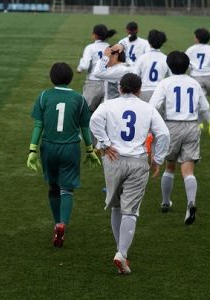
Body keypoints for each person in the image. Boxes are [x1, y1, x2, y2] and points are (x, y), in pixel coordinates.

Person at [90, 73, 170, 275]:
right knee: (130, 210)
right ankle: (122, 253)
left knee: (116, 206)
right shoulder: (147, 108)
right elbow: (164, 134)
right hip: (137, 161)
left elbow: (94, 120)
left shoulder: (108, 105)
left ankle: (120, 250)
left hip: (113, 160)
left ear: (120, 87)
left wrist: (105, 143)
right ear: (139, 90)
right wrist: (157, 159)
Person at [27, 62, 101, 248]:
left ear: (52, 78)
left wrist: (32, 149)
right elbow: (85, 127)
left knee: (53, 186)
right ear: (70, 78)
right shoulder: (78, 99)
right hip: (70, 148)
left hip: (49, 147)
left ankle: (56, 222)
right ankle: (62, 224)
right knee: (66, 188)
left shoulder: (44, 96)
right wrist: (90, 149)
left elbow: (38, 125)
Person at [149, 51, 210, 223]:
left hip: (171, 126)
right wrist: (209, 121)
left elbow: (154, 105)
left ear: (169, 66)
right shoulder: (194, 83)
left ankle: (165, 202)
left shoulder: (165, 83)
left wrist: (151, 125)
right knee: (188, 169)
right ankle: (191, 202)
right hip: (192, 126)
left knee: (169, 167)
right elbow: (204, 106)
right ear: (187, 66)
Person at [77, 24, 117, 113]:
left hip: (93, 83)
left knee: (87, 112)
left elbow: (85, 65)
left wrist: (79, 68)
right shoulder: (112, 48)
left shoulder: (90, 48)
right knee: (106, 113)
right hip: (109, 84)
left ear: (95, 35)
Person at [132, 29, 170, 103]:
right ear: (162, 43)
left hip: (144, 91)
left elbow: (134, 76)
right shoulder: (165, 58)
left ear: (149, 41)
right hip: (160, 92)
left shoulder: (142, 58)